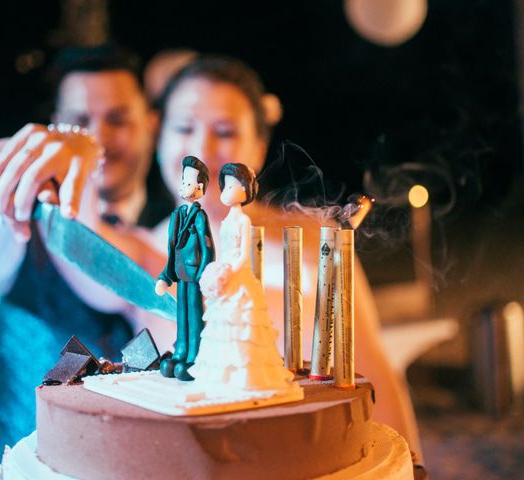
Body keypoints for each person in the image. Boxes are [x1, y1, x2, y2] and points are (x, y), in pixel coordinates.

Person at [150, 55, 424, 458]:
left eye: (224, 130)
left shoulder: (313, 238)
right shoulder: (140, 248)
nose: (202, 147)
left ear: (258, 147)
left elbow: (374, 373)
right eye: (184, 127)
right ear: (159, 138)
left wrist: (409, 466)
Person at [0, 44, 171, 467]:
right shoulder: (16, 226)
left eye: (118, 119)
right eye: (79, 122)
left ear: (150, 123)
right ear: (55, 128)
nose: (98, 138)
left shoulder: (175, 227)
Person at [192, 162, 294, 392]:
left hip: (237, 275)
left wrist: (229, 270)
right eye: (225, 186)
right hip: (225, 273)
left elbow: (242, 256)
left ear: (246, 189)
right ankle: (225, 373)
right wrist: (217, 269)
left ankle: (246, 375)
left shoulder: (243, 221)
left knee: (243, 324)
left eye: (232, 186)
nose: (227, 191)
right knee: (222, 326)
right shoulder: (227, 220)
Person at [155, 155, 214, 381]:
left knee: (195, 316)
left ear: (200, 188)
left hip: (195, 276)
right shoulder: (177, 215)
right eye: (183, 181)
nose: (183, 186)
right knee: (181, 315)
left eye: (189, 183)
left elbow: (207, 247)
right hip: (180, 274)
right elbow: (172, 250)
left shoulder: (199, 216)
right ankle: (181, 352)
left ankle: (194, 356)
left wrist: (203, 275)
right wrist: (166, 276)